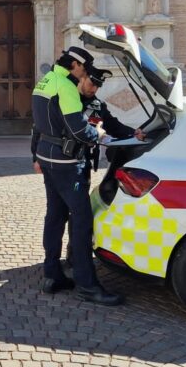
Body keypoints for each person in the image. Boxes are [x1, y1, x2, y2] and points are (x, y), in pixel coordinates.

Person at [31, 46, 123, 306]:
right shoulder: (67, 87)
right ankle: (87, 285)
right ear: (75, 66)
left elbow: (37, 125)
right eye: (85, 68)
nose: (86, 73)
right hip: (68, 162)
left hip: (48, 158)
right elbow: (79, 131)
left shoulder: (47, 80)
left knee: (55, 215)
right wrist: (101, 135)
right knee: (82, 222)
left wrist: (34, 156)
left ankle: (52, 275)